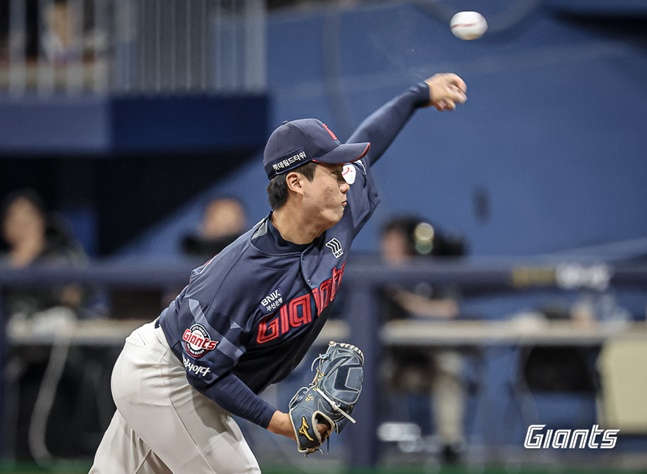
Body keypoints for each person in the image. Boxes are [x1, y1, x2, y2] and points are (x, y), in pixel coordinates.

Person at [90, 72, 468, 473]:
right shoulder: (243, 273)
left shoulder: (338, 217)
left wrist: (417, 95)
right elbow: (205, 373)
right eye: (335, 172)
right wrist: (281, 423)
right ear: (295, 182)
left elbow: (369, 144)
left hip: (183, 378)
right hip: (167, 375)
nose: (346, 182)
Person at [379, 215, 468, 464]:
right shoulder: (375, 278)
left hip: (430, 359)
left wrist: (409, 302)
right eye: (386, 243)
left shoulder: (430, 273)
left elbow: (449, 309)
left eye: (396, 243)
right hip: (394, 362)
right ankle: (366, 441)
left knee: (451, 366)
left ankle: (450, 446)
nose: (390, 249)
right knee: (360, 370)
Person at [180, 196, 248, 259]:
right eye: (221, 217)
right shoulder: (192, 263)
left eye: (232, 219)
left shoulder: (251, 256)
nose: (226, 225)